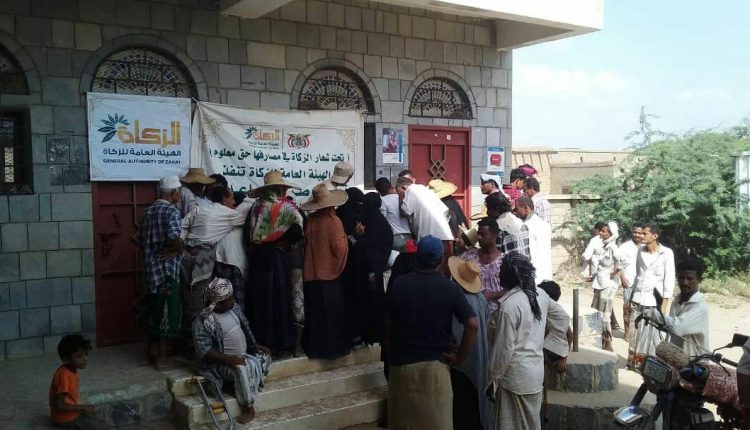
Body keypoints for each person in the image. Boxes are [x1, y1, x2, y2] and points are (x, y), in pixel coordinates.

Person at [386, 235, 478, 430]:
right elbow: (472, 325)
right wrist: (460, 358)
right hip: (436, 370)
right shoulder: (449, 288)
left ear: (417, 257)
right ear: (441, 259)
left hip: (402, 368)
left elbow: (387, 324)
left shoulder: (399, 285)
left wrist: (392, 350)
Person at [486, 253, 569, 430]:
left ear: (511, 275)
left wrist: (492, 380)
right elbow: (562, 318)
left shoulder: (510, 306)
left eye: (502, 270)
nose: (499, 273)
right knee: (531, 424)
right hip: (535, 374)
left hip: (513, 378)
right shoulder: (540, 295)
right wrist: (547, 347)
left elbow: (503, 350)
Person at [192, 278, 271, 425]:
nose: (233, 300)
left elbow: (245, 328)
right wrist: (230, 360)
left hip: (243, 356)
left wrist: (255, 346)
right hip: (220, 364)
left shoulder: (234, 308)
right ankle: (248, 407)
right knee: (240, 369)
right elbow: (204, 350)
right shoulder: (203, 321)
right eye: (230, 298)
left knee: (265, 356)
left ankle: (243, 384)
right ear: (218, 303)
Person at [244, 171, 304, 356]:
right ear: (279, 189)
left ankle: (261, 341)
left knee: (260, 299)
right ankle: (281, 342)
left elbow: (248, 234)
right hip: (277, 258)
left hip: (259, 258)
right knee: (278, 298)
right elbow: (298, 229)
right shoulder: (285, 207)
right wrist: (286, 242)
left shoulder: (256, 206)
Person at [137, 176, 183, 368]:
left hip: (150, 271)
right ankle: (162, 359)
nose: (180, 195)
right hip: (166, 271)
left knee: (151, 312)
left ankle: (146, 354)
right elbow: (174, 237)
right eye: (179, 192)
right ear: (174, 193)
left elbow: (140, 240)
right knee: (167, 313)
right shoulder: (171, 211)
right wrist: (177, 249)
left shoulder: (147, 212)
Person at [301, 184, 350, 359]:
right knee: (332, 314)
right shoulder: (334, 222)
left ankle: (315, 349)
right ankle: (332, 350)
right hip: (329, 275)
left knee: (315, 315)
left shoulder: (311, 220)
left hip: (311, 273)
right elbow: (340, 248)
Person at [447, 257, 494, 430]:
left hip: (464, 361)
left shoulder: (460, 301)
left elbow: (459, 334)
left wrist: (455, 356)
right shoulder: (481, 298)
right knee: (478, 407)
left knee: (464, 410)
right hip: (481, 357)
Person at [627, 223, 676, 367]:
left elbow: (669, 280)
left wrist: (664, 305)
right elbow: (638, 275)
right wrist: (631, 297)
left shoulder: (666, 253)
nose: (641, 236)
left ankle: (651, 364)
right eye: (641, 233)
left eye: (645, 234)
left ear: (654, 236)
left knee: (651, 335)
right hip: (638, 298)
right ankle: (633, 362)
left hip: (654, 301)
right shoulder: (640, 251)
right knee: (635, 332)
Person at [396, 176, 454, 271]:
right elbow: (445, 211)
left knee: (428, 269)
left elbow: (405, 212)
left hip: (428, 238)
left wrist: (401, 197)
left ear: (403, 187)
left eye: (398, 193)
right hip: (445, 235)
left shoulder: (411, 190)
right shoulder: (425, 189)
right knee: (445, 270)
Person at [359, 192, 394, 344]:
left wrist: (360, 236)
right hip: (377, 267)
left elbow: (368, 245)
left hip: (371, 269)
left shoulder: (370, 221)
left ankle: (373, 333)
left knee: (372, 299)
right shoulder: (380, 220)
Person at [49, 335, 102, 430]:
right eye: (79, 356)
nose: (85, 358)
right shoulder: (64, 375)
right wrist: (82, 407)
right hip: (65, 419)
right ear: (66, 359)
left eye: (85, 354)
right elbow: (60, 405)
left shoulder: (70, 370)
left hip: (67, 413)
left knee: (97, 417)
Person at [661, 257, 710, 357]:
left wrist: (655, 314)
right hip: (677, 357)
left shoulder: (699, 307)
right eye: (681, 278)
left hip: (694, 361)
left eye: (690, 279)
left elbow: (676, 328)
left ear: (699, 280)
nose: (684, 282)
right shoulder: (677, 300)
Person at [586, 221, 622, 351]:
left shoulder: (613, 247)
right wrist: (593, 276)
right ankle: (600, 340)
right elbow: (601, 266)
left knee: (605, 314)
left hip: (608, 285)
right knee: (597, 312)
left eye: (604, 231)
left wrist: (615, 272)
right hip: (600, 283)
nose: (600, 233)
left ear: (611, 234)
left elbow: (622, 261)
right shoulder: (604, 246)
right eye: (600, 231)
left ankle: (607, 342)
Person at [460, 218, 504, 313]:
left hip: (495, 314)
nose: (479, 237)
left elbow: (511, 290)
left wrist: (491, 295)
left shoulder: (504, 261)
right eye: (478, 234)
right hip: (472, 312)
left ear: (494, 236)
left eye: (483, 234)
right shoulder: (468, 256)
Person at [515, 197, 552, 285]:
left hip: (533, 276)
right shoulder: (545, 225)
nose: (516, 212)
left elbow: (526, 254)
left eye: (517, 209)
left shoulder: (525, 227)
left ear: (526, 208)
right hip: (546, 274)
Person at [619, 222, 644, 338]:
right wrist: (622, 277)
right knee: (627, 308)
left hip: (642, 284)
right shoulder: (625, 247)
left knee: (641, 309)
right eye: (635, 232)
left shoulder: (646, 247)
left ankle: (638, 333)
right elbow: (618, 264)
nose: (637, 235)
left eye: (639, 233)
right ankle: (627, 332)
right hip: (629, 282)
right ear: (632, 232)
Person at [485, 193, 529, 257]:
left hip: (509, 262)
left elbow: (493, 255)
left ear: (497, 209)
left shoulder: (498, 227)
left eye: (489, 209)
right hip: (525, 261)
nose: (487, 212)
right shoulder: (520, 222)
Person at [376, 177, 413, 252]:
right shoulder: (402, 198)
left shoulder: (383, 201)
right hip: (409, 238)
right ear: (391, 186)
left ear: (379, 191)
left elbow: (382, 222)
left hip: (395, 238)